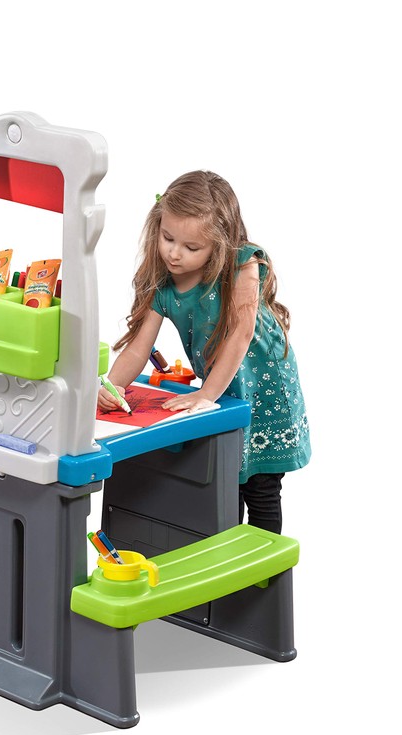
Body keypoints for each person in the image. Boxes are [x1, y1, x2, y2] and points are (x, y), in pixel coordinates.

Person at [98, 170, 310, 534]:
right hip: (222, 387)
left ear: (220, 244)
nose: (174, 253)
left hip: (264, 389)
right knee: (225, 484)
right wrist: (112, 385)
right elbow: (138, 348)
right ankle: (228, 564)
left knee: (260, 488)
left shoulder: (243, 264)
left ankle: (261, 568)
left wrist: (206, 394)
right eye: (167, 238)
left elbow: (241, 333)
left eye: (191, 247)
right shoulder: (163, 283)